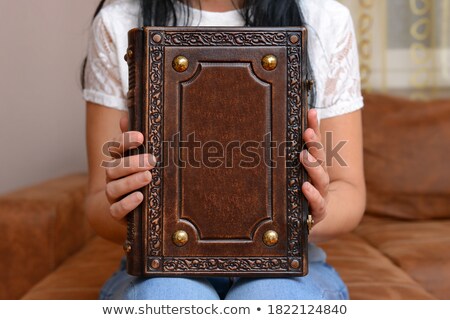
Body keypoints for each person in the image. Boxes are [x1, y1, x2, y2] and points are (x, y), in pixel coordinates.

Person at [82, 0, 366, 300]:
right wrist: (130, 208)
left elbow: (348, 190)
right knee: (166, 295)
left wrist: (310, 213)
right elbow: (96, 202)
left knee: (271, 296)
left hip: (288, 269)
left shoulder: (326, 18)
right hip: (161, 268)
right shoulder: (117, 21)